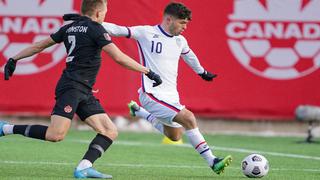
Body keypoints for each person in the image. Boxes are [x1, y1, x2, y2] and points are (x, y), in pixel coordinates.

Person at [0, 0, 162, 179]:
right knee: (55, 134)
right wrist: (148, 71)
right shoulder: (96, 29)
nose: (106, 14)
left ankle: (84, 167)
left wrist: (14, 58)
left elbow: (39, 45)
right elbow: (119, 57)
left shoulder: (70, 28)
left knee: (109, 130)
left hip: (84, 89)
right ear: (99, 13)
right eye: (105, 11)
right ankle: (6, 128)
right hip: (72, 87)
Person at [101, 2, 232, 175]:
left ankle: (139, 112)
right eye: (182, 22)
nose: (185, 27)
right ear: (169, 19)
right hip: (152, 94)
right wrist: (88, 22)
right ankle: (212, 160)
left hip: (171, 97)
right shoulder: (146, 32)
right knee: (189, 118)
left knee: (174, 136)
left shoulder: (180, 40)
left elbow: (189, 56)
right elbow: (117, 29)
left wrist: (202, 72)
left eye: (186, 23)